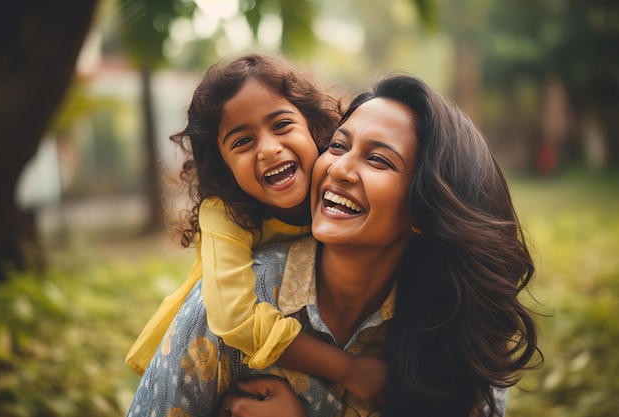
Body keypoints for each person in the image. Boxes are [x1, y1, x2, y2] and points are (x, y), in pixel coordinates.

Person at [126, 74, 541, 417]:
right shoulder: (233, 303)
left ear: (424, 209)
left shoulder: (463, 330)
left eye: (378, 160)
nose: (339, 168)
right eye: (339, 146)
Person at [125, 53, 387, 404]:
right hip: (208, 362)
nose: (268, 149)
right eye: (242, 142)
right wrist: (347, 370)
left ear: (315, 129)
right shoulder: (225, 213)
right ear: (224, 166)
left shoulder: (336, 185)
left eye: (281, 125)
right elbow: (234, 318)